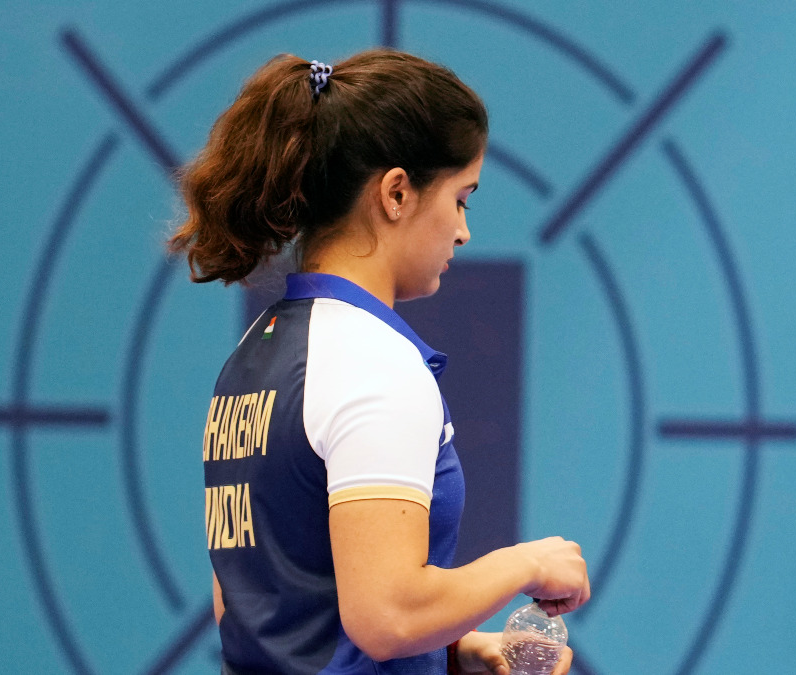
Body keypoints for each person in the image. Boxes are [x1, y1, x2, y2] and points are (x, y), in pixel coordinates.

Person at [168, 48, 590, 675]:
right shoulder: (374, 366)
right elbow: (387, 617)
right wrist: (526, 564)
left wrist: (457, 649)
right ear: (396, 193)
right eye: (461, 198)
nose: (463, 231)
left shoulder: (255, 352)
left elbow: (262, 610)